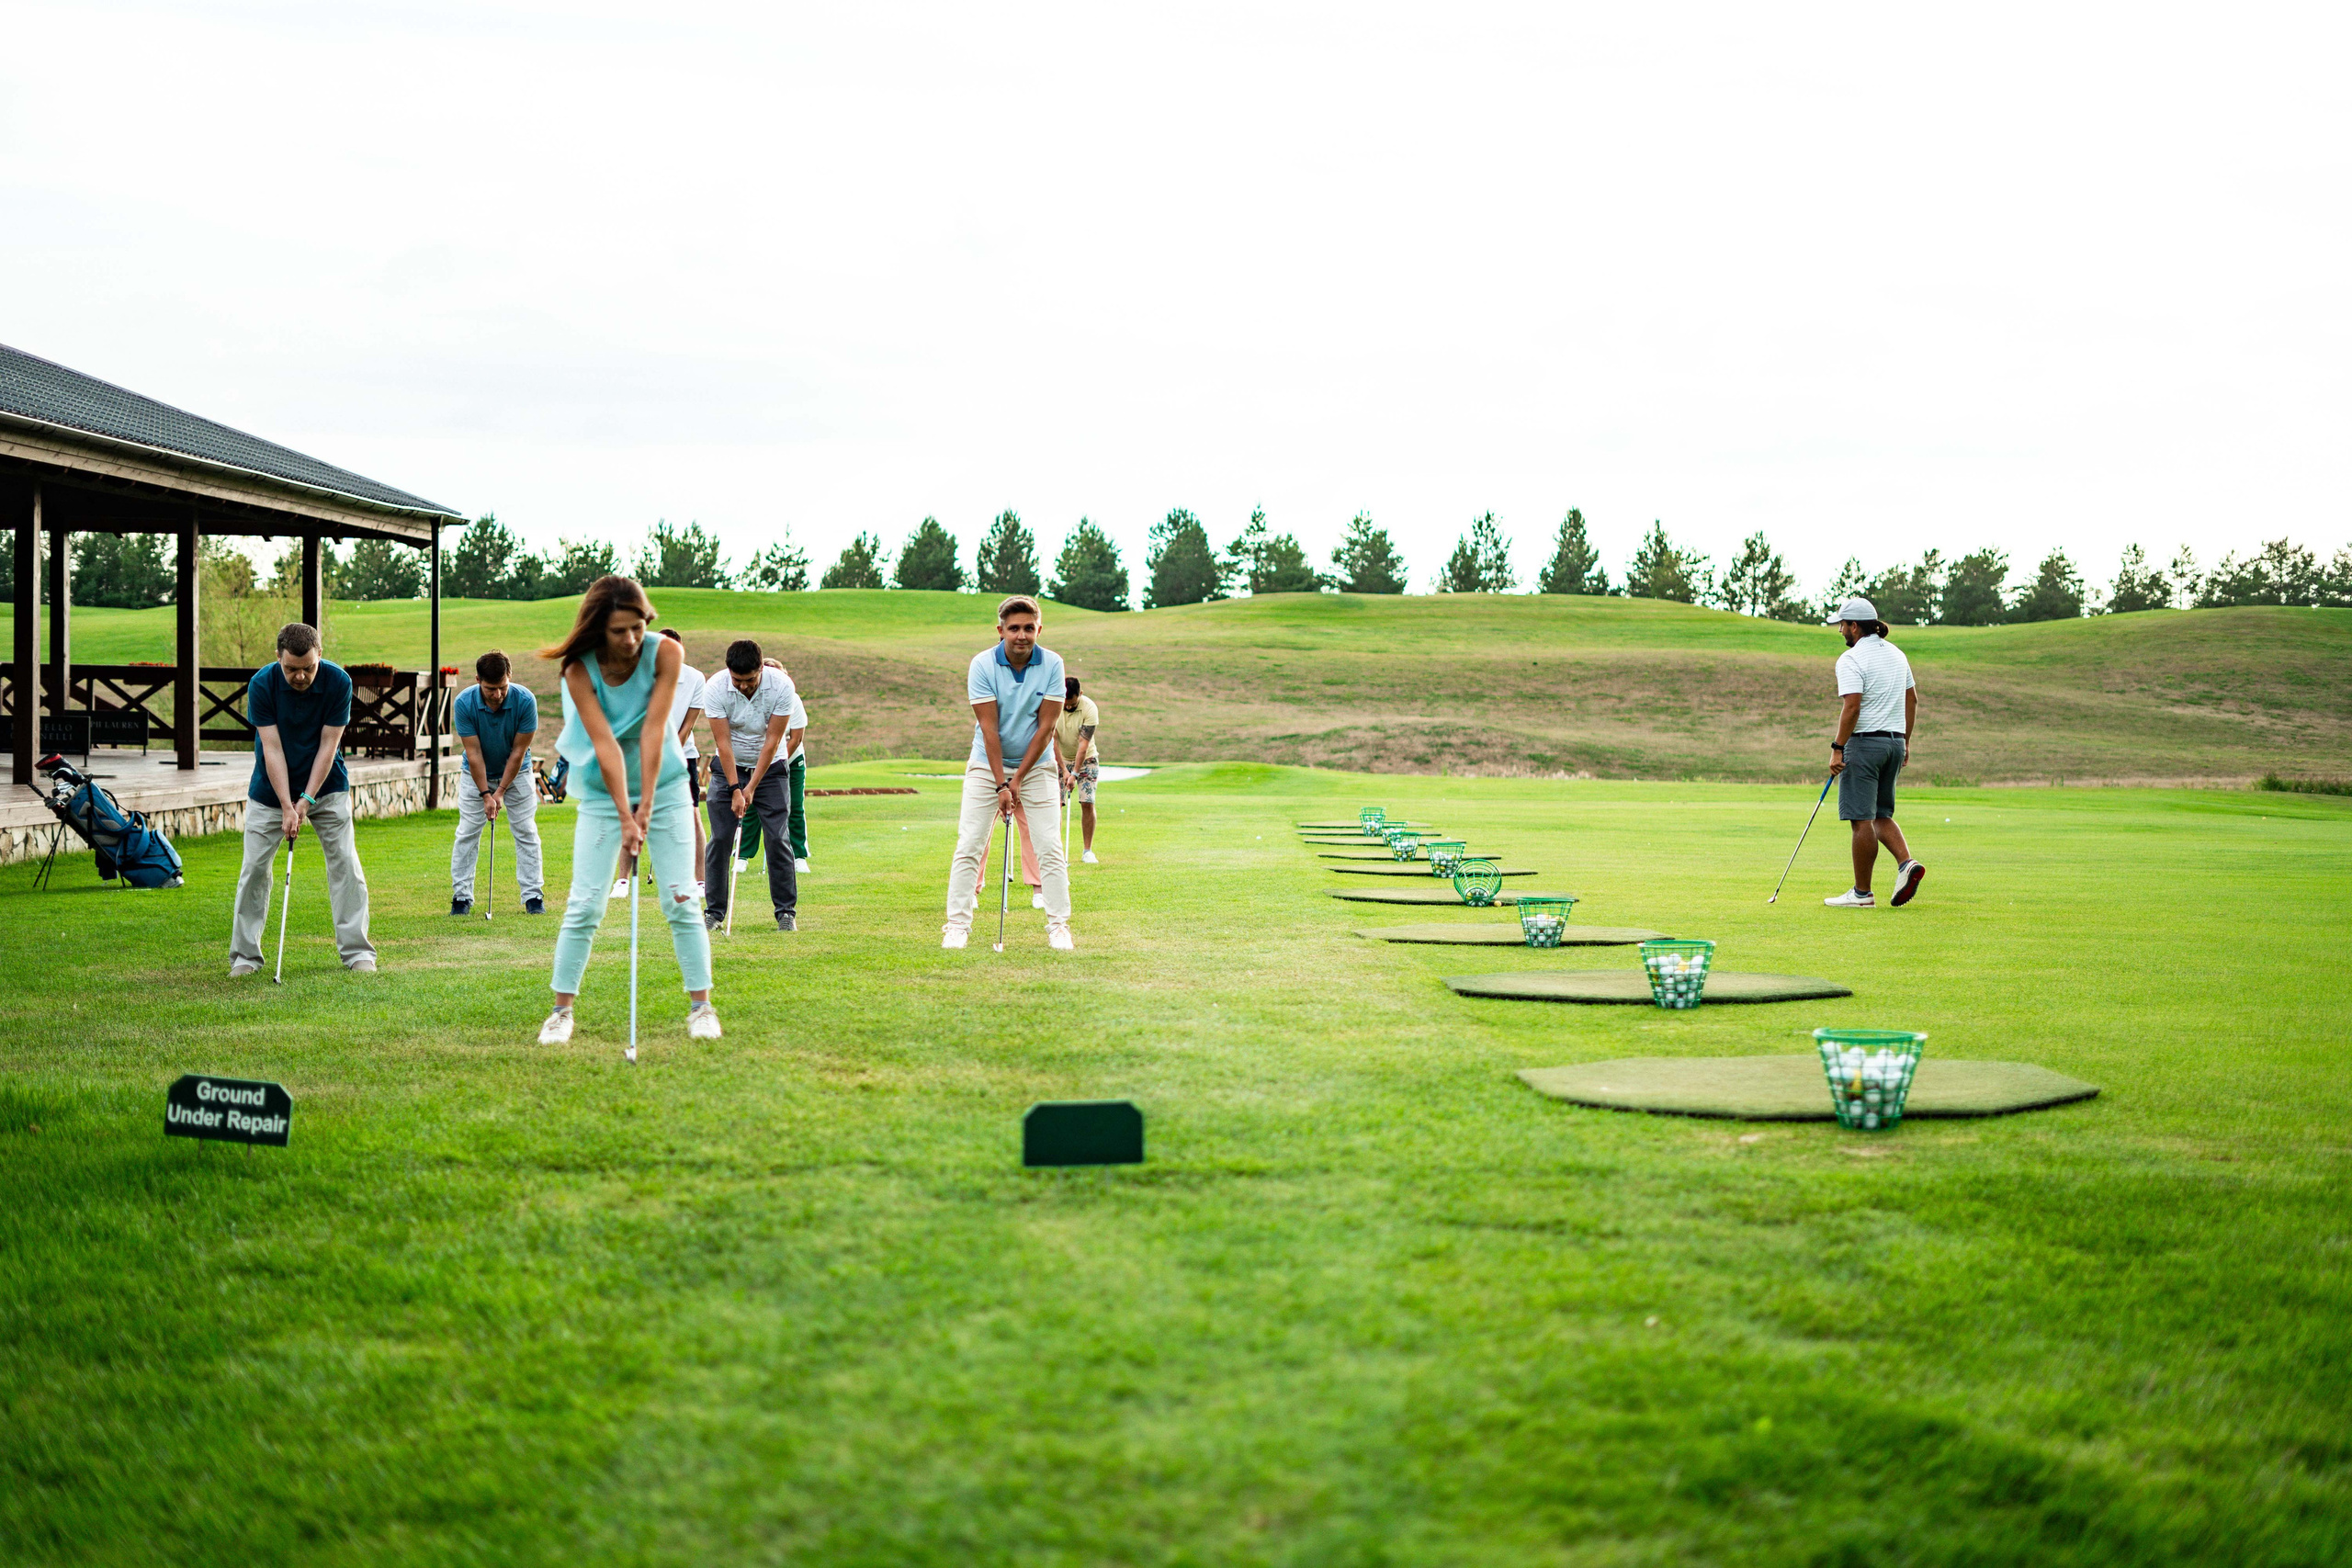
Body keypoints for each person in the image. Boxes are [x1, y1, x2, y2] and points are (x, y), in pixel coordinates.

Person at [536, 576, 719, 1044]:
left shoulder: (666, 654)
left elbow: (654, 733)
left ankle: (702, 1008)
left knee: (681, 896)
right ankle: (561, 1013)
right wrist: (625, 814)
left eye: (638, 626)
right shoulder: (579, 670)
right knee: (584, 903)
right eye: (620, 631)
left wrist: (647, 806)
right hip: (601, 792)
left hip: (669, 787)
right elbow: (607, 745)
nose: (632, 639)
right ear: (599, 628)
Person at [229, 622, 374, 975]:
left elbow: (329, 745)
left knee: (345, 865)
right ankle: (245, 957)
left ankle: (357, 953)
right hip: (269, 792)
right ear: (277, 657)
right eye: (291, 668)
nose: (300, 676)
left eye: (308, 667)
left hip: (327, 787)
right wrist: (285, 805)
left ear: (319, 655)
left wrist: (305, 801)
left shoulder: (338, 682)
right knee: (254, 870)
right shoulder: (262, 684)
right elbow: (272, 749)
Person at [943, 595, 1070, 950]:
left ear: (1039, 629)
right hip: (987, 763)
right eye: (1013, 628)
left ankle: (1059, 925)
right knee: (969, 843)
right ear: (1000, 630)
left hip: (1037, 765)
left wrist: (1016, 781)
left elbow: (1046, 729)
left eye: (1029, 628)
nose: (1021, 635)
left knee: (1050, 846)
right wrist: (1001, 783)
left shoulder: (1053, 664)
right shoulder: (982, 664)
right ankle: (956, 925)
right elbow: (989, 729)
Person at [1823, 596, 1926, 908]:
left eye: (1842, 625)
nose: (1841, 631)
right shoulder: (1897, 654)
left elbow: (1852, 705)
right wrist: (1905, 741)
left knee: (1860, 819)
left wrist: (1838, 748)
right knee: (1881, 814)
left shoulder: (1851, 659)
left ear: (1855, 626)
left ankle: (1862, 893)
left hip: (1865, 744)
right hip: (1894, 743)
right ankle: (1907, 864)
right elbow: (1913, 700)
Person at [702, 640, 801, 931]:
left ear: (761, 670)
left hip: (770, 768)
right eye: (737, 680)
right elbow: (724, 744)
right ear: (728, 672)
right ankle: (714, 913)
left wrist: (751, 788)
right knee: (720, 839)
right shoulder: (716, 688)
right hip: (728, 767)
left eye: (750, 680)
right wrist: (735, 788)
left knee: (777, 838)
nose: (743, 686)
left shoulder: (782, 686)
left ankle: (786, 912)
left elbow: (772, 742)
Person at [449, 649, 544, 916]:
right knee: (467, 832)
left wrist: (500, 791)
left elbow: (518, 752)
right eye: (491, 689)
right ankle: (461, 898)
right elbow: (474, 753)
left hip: (518, 773)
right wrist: (485, 794)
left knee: (526, 831)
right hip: (474, 774)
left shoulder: (525, 701)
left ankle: (533, 896)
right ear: (478, 679)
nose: (498, 694)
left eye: (502, 687)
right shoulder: (464, 703)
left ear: (509, 677)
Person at [657, 628, 710, 897]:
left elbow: (688, 724)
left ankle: (700, 881)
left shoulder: (695, 678)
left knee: (691, 813)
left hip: (684, 753)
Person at [759, 656, 814, 873]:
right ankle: (742, 856)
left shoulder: (793, 699)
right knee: (752, 809)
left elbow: (796, 737)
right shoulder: (756, 697)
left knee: (794, 807)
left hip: (791, 759)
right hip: (759, 759)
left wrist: (777, 761)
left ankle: (799, 856)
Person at [1055, 674, 1102, 863]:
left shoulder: (1089, 708)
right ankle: (1055, 851)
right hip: (1059, 759)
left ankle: (1087, 851)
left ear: (1080, 694)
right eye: (1065, 703)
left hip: (1087, 759)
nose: (1068, 707)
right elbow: (1052, 741)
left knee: (1087, 802)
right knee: (1055, 804)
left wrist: (1074, 773)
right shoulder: (1054, 704)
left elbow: (1083, 744)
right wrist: (1064, 770)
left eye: (1072, 704)